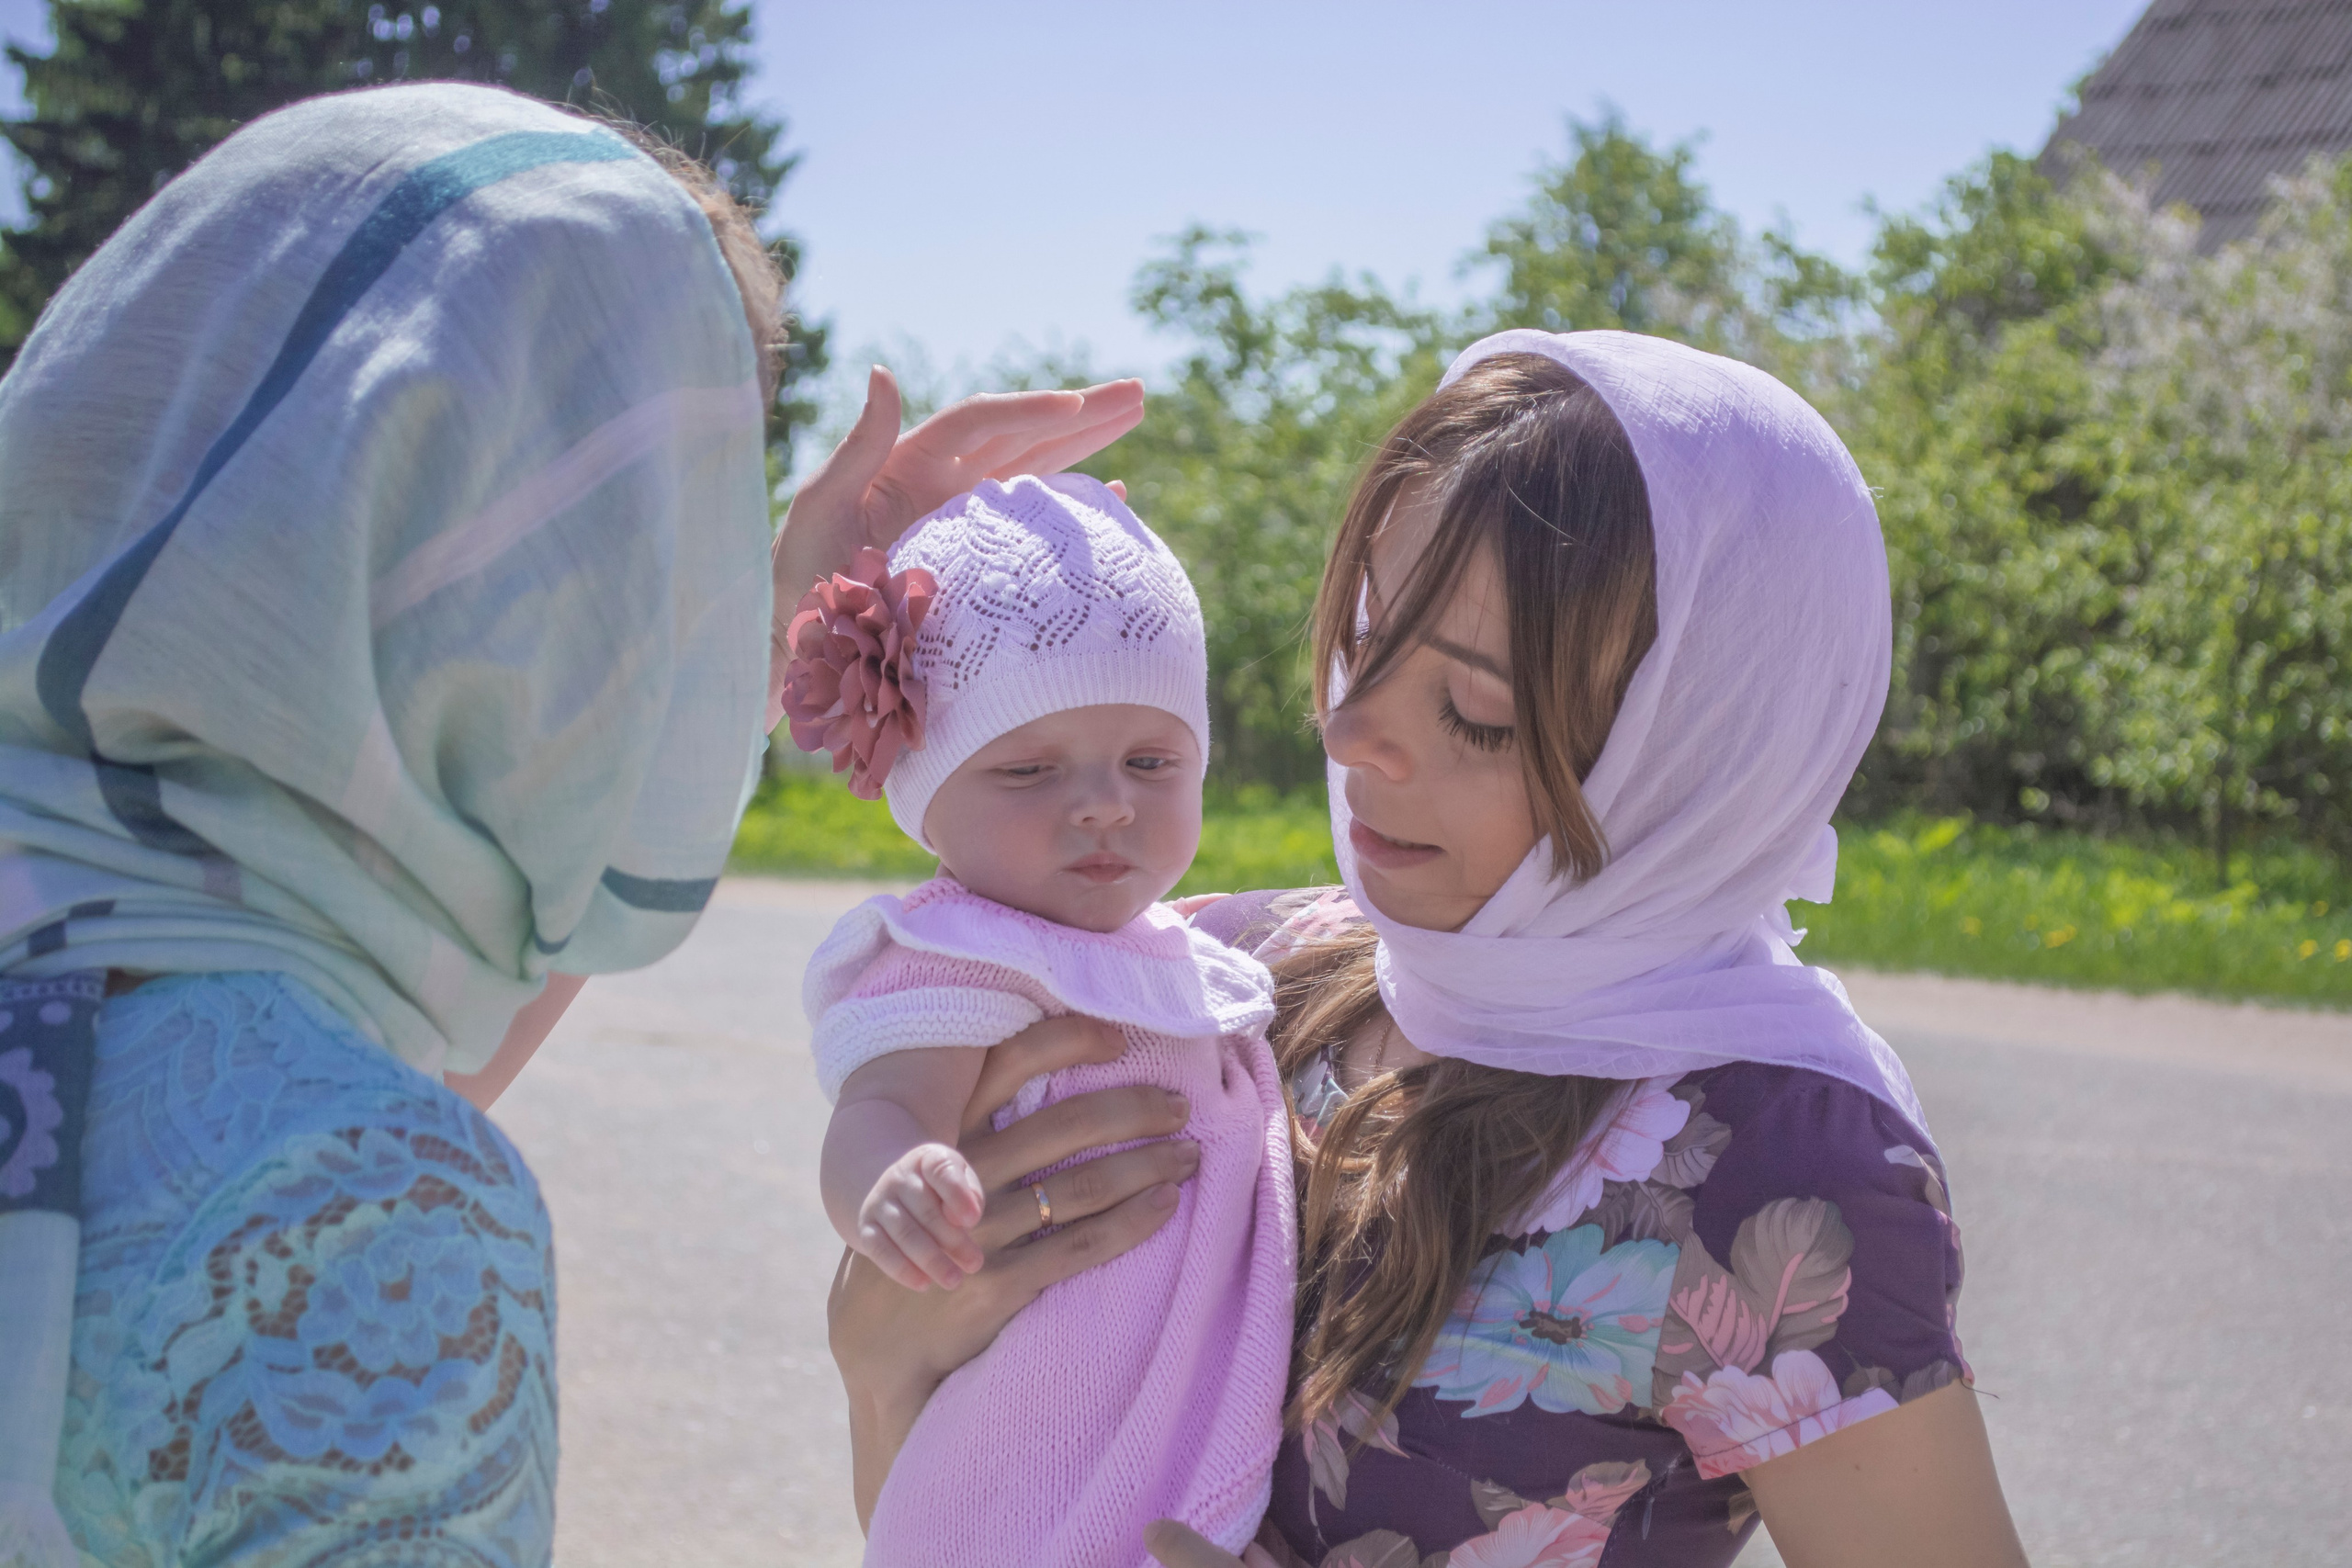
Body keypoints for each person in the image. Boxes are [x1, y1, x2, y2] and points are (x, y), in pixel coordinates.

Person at [0, 81, 1165, 1568]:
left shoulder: (110, 993)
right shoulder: (358, 1215)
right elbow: (315, 1141)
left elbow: (324, 1062)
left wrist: (771, 627)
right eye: (668, 516)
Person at [830, 332, 2030, 1568]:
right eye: (1365, 644)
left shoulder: (1783, 1173)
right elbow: (953, 1490)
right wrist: (880, 1361)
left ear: (1704, 746)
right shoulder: (1221, 976)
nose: (1350, 732)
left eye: (1475, 712)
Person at [786, 475, 1295, 1565]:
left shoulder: (1180, 955)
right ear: (926, 794)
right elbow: (883, 1105)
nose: (1106, 802)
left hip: (1170, 1381)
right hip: (1029, 1419)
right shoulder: (963, 951)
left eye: (1150, 763)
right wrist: (896, 1180)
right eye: (1028, 770)